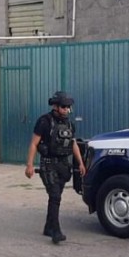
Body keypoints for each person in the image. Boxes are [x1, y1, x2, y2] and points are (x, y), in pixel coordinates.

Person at [25, 91, 87, 245]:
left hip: (63, 165)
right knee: (55, 196)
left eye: (68, 107)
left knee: (55, 197)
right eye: (64, 106)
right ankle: (56, 231)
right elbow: (34, 143)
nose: (67, 109)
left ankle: (48, 226)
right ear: (56, 106)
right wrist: (30, 165)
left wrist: (80, 163)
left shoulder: (69, 124)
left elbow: (73, 144)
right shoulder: (44, 122)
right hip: (48, 164)